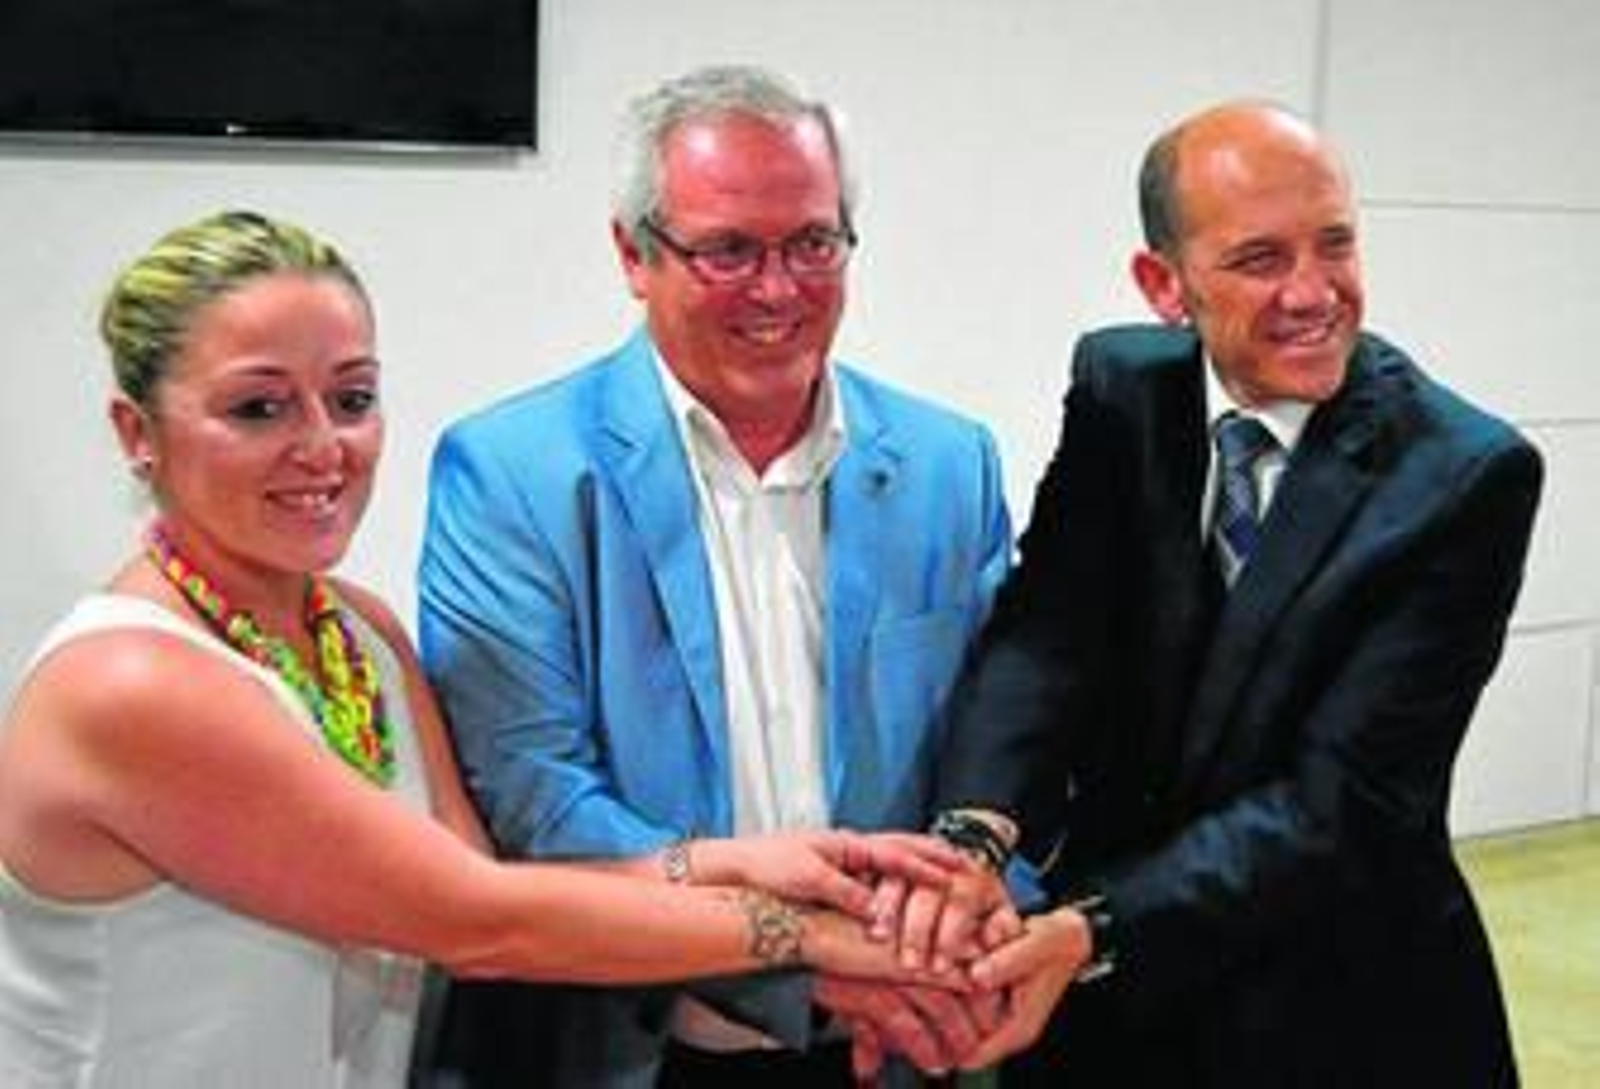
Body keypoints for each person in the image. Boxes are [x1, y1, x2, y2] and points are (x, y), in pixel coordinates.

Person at [0, 210, 971, 1089]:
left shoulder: (359, 633)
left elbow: (490, 877)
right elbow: (474, 923)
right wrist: (817, 937)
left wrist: (744, 862)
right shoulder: (130, 684)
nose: (322, 448)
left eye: (350, 398)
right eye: (258, 409)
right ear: (138, 433)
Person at [914, 101, 1543, 1085]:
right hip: (1102, 1006)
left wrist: (1090, 927)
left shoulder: (1465, 474)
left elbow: (1340, 805)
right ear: (1163, 284)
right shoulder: (1120, 386)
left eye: (1333, 244)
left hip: (1334, 1003)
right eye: (1259, 260)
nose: (1313, 293)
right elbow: (1048, 634)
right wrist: (972, 834)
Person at [417, 64, 1012, 1086]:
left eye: (812, 244)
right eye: (729, 250)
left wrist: (956, 924)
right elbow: (536, 803)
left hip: (891, 1051)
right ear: (631, 253)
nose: (778, 289)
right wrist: (809, 960)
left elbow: (1003, 742)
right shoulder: (513, 471)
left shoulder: (949, 464)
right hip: (632, 1053)